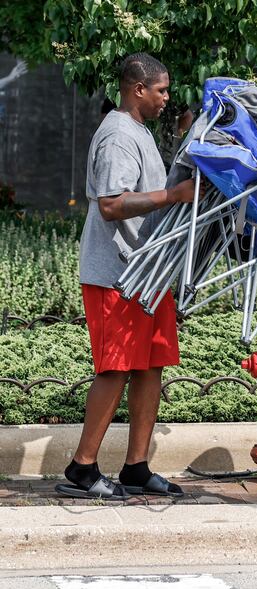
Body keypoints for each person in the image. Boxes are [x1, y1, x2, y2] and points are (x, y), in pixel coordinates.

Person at [56, 53, 201, 500]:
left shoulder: (138, 132)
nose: (166, 98)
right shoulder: (118, 135)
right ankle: (82, 468)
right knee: (115, 369)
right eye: (161, 90)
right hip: (117, 273)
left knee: (150, 367)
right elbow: (111, 204)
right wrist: (173, 194)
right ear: (137, 89)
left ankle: (136, 467)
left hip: (147, 273)